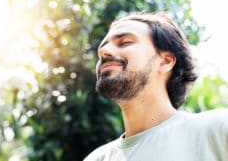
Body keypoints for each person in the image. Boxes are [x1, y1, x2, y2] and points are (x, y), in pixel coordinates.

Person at [84, 12, 228, 161]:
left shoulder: (218, 129)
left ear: (165, 61)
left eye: (125, 42)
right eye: (103, 46)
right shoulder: (96, 158)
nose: (103, 51)